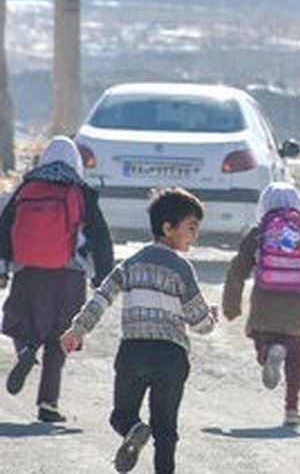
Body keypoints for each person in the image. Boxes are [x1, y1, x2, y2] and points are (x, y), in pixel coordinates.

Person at [61, 187, 217, 474]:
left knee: (121, 415)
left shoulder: (131, 264)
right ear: (167, 228)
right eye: (191, 228)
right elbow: (200, 322)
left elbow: (102, 297)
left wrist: (78, 330)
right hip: (171, 357)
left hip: (133, 352)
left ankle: (134, 430)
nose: (195, 236)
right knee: (166, 430)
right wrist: (211, 318)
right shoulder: (182, 269)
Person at [0, 135, 114, 423]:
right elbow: (101, 236)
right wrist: (103, 276)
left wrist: (2, 269)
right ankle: (48, 404)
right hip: (69, 274)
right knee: (59, 338)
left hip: (28, 272)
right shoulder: (81, 191)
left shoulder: (27, 187)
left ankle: (25, 349)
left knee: (20, 321)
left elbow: (3, 229)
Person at [222, 182, 300, 428]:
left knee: (264, 341)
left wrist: (231, 306)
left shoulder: (258, 233)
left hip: (266, 301)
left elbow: (236, 272)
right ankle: (292, 408)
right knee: (296, 354)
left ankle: (268, 352)